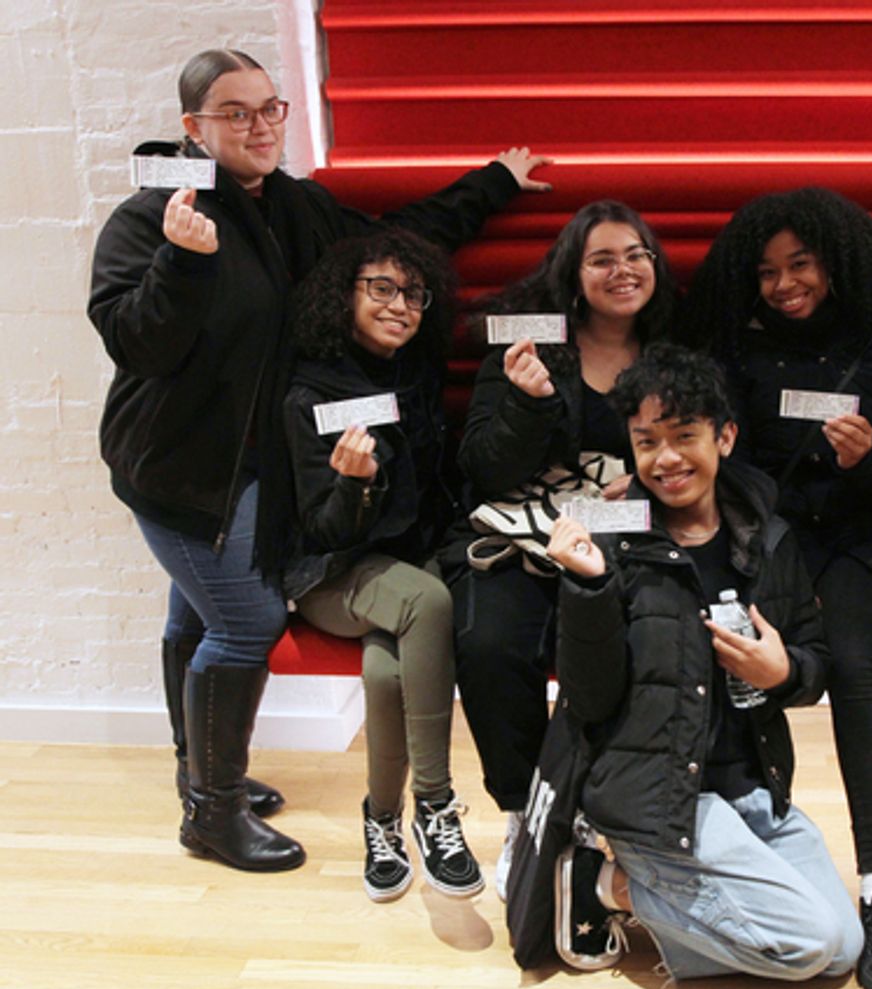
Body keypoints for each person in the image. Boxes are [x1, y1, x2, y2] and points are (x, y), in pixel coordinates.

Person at [88, 47, 551, 872]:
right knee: (245, 620)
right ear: (194, 126)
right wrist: (180, 261)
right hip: (181, 470)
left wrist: (495, 183)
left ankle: (198, 773)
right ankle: (213, 814)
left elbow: (397, 241)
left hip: (260, 461)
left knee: (191, 615)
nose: (261, 126)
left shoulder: (295, 207)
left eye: (272, 109)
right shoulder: (153, 216)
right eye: (237, 113)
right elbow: (137, 342)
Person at [678, 187, 872, 989]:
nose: (785, 284)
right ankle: (730, 842)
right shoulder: (740, 351)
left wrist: (862, 463)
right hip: (774, 542)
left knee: (856, 671)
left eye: (801, 265)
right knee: (716, 660)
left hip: (863, 543)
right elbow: (727, 464)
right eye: (768, 272)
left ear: (836, 263)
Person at [544, 347, 863, 982]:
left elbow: (815, 661)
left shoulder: (769, 537)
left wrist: (783, 674)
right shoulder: (613, 540)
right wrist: (587, 589)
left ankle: (645, 899)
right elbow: (590, 697)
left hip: (755, 789)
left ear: (725, 436)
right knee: (806, 947)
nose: (666, 460)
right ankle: (605, 882)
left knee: (842, 954)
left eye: (684, 436)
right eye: (646, 441)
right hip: (662, 800)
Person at [441, 200, 678, 900]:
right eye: (602, 259)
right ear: (573, 276)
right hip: (517, 531)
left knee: (635, 647)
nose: (623, 270)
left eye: (636, 254)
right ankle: (526, 810)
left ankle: (606, 809)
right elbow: (482, 466)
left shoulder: (672, 350)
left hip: (626, 536)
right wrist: (529, 403)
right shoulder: (530, 345)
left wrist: (648, 479)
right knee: (489, 644)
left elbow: (705, 450)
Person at [282, 227, 483, 901]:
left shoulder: (413, 374)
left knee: (385, 667)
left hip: (402, 560)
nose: (400, 304)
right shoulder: (308, 394)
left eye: (413, 293)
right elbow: (322, 529)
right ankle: (435, 805)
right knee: (426, 603)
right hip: (331, 573)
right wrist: (354, 483)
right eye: (382, 288)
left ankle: (380, 820)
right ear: (345, 294)